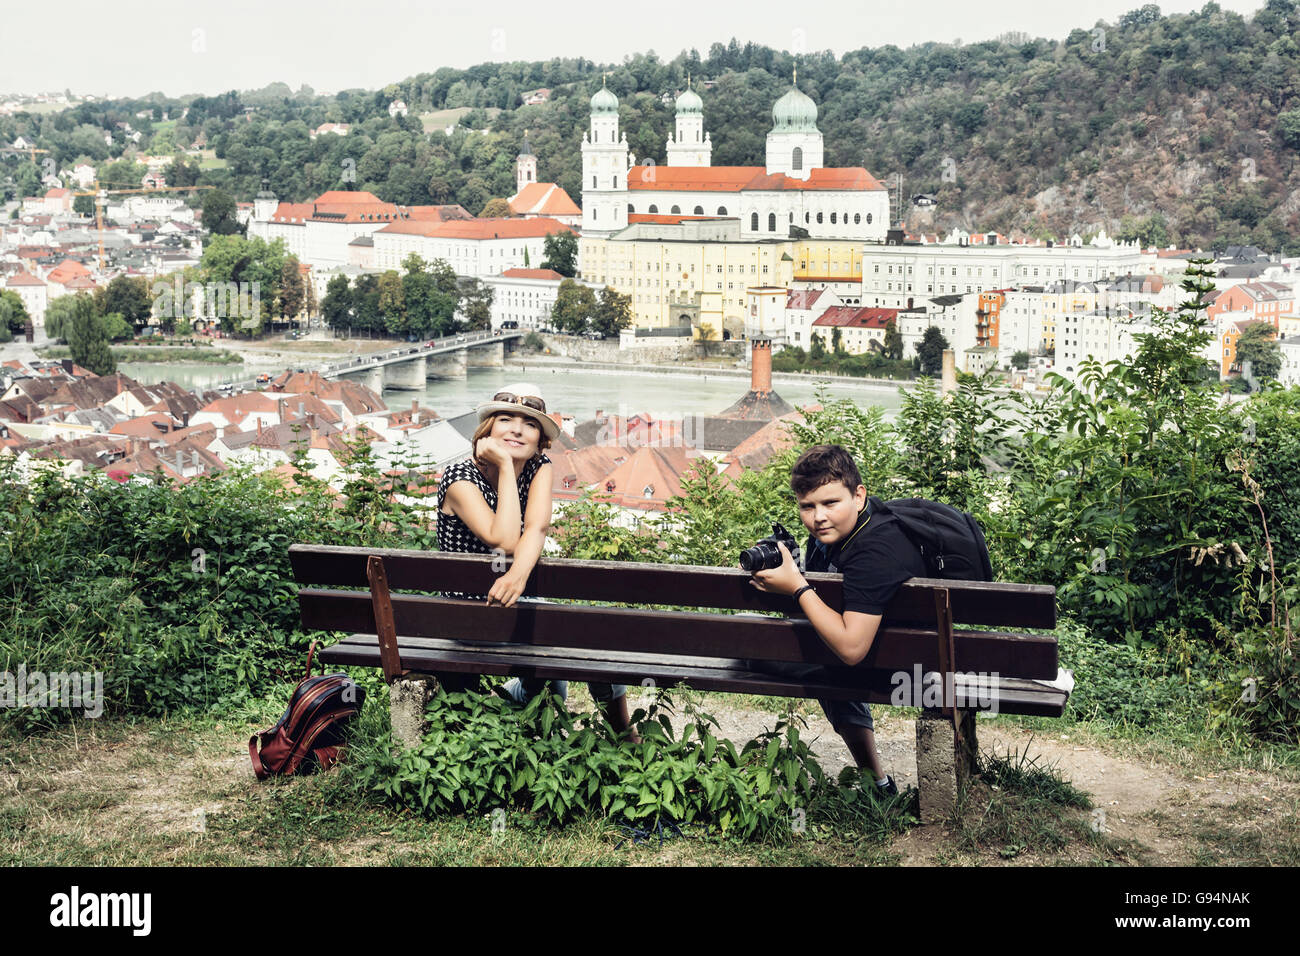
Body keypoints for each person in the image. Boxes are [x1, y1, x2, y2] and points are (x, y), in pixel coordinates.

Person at [435, 383, 635, 736]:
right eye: (505, 419)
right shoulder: (458, 479)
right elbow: (506, 538)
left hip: (513, 602)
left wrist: (518, 576)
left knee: (576, 649)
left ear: (540, 440)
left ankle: (602, 730)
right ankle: (624, 735)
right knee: (574, 641)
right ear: (487, 431)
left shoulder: (540, 466)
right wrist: (508, 469)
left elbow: (537, 529)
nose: (516, 429)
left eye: (529, 424)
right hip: (467, 614)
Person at [746, 444, 927, 796]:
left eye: (830, 503)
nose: (818, 517)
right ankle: (877, 782)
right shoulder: (834, 536)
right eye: (807, 506)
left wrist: (797, 587)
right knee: (800, 648)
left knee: (755, 645)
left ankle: (876, 781)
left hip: (907, 668)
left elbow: (851, 649)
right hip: (898, 655)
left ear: (859, 496)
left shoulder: (875, 550)